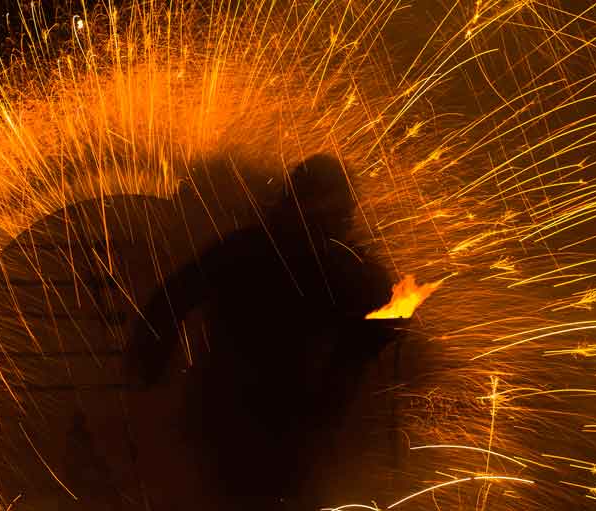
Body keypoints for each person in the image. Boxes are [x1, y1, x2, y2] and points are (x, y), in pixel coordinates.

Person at [127, 153, 400, 508]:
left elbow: (170, 299)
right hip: (283, 426)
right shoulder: (342, 267)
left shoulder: (246, 249)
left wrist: (149, 364)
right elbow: (375, 327)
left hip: (228, 419)